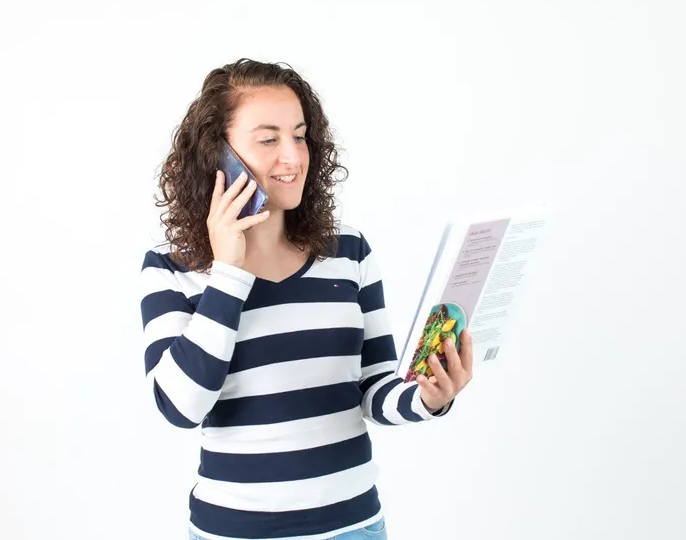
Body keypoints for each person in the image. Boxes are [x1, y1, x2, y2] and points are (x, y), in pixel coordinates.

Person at [139, 58, 474, 540]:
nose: (293, 158)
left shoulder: (348, 250)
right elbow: (178, 407)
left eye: (299, 135)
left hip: (354, 526)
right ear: (219, 154)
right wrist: (229, 271)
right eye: (268, 139)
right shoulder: (174, 268)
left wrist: (427, 398)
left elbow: (374, 387)